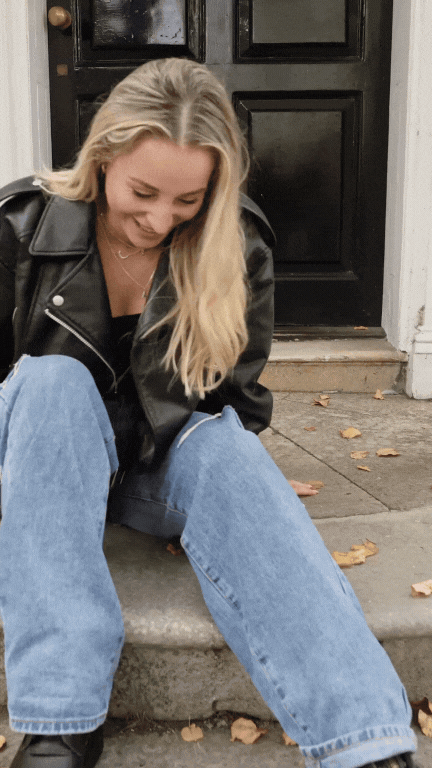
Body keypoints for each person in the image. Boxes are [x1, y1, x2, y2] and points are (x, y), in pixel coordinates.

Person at [0, 57, 417, 768]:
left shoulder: (238, 241)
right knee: (52, 381)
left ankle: (365, 741)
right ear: (102, 158)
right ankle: (59, 720)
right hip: (44, 448)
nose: (160, 219)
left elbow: (235, 394)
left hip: (154, 460)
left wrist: (242, 479)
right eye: (142, 192)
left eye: (188, 200)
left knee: (225, 446)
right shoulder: (20, 224)